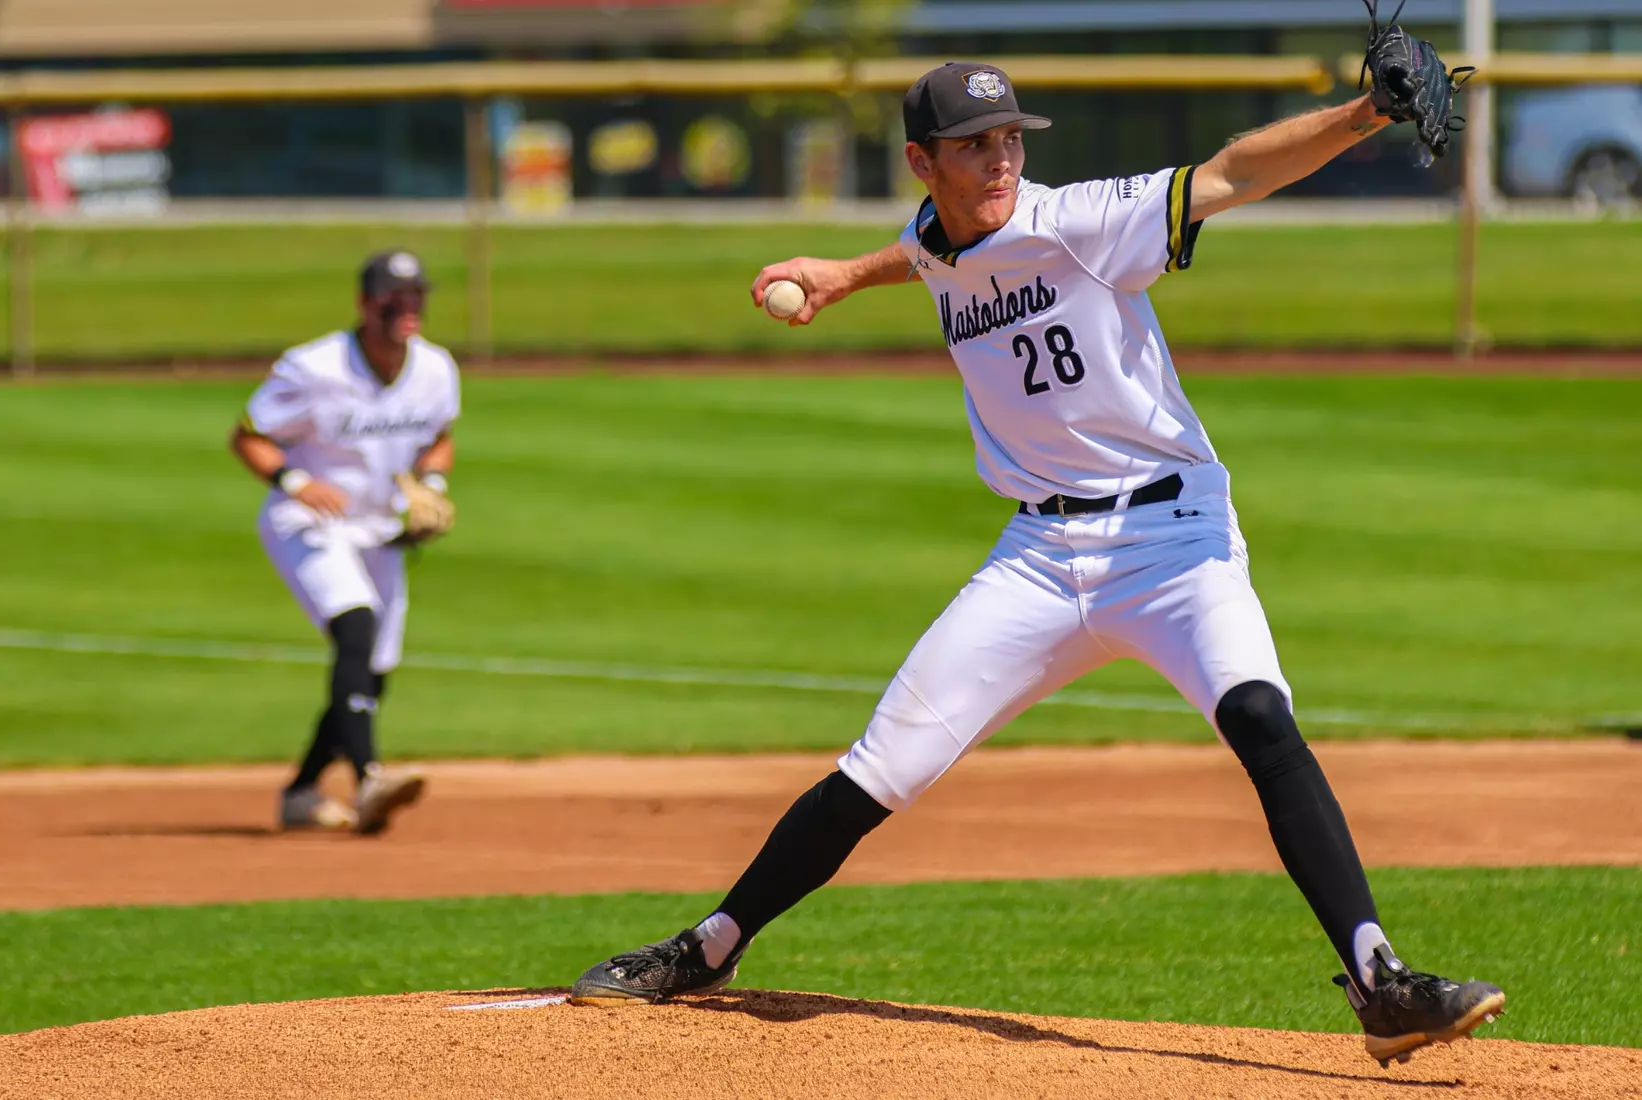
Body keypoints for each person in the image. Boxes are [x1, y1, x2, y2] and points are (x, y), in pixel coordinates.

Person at [570, 51, 1505, 1070]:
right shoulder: (935, 232)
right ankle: (711, 946)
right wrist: (844, 274)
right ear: (924, 163)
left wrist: (1367, 112)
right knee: (877, 773)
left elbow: (1232, 175)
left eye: (1011, 136)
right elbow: (926, 251)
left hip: (1173, 540)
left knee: (1258, 716)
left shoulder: (1080, 221)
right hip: (1039, 553)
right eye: (975, 145)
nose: (1002, 157)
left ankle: (1380, 979)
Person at [230, 250, 459, 835]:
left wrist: (431, 484)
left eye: (416, 298)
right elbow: (249, 436)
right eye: (394, 299)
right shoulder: (313, 368)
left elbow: (439, 438)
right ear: (364, 304)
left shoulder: (435, 369)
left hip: (379, 531)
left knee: (373, 669)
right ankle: (368, 781)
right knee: (355, 629)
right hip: (306, 525)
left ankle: (302, 792)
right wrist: (296, 481)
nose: (408, 310)